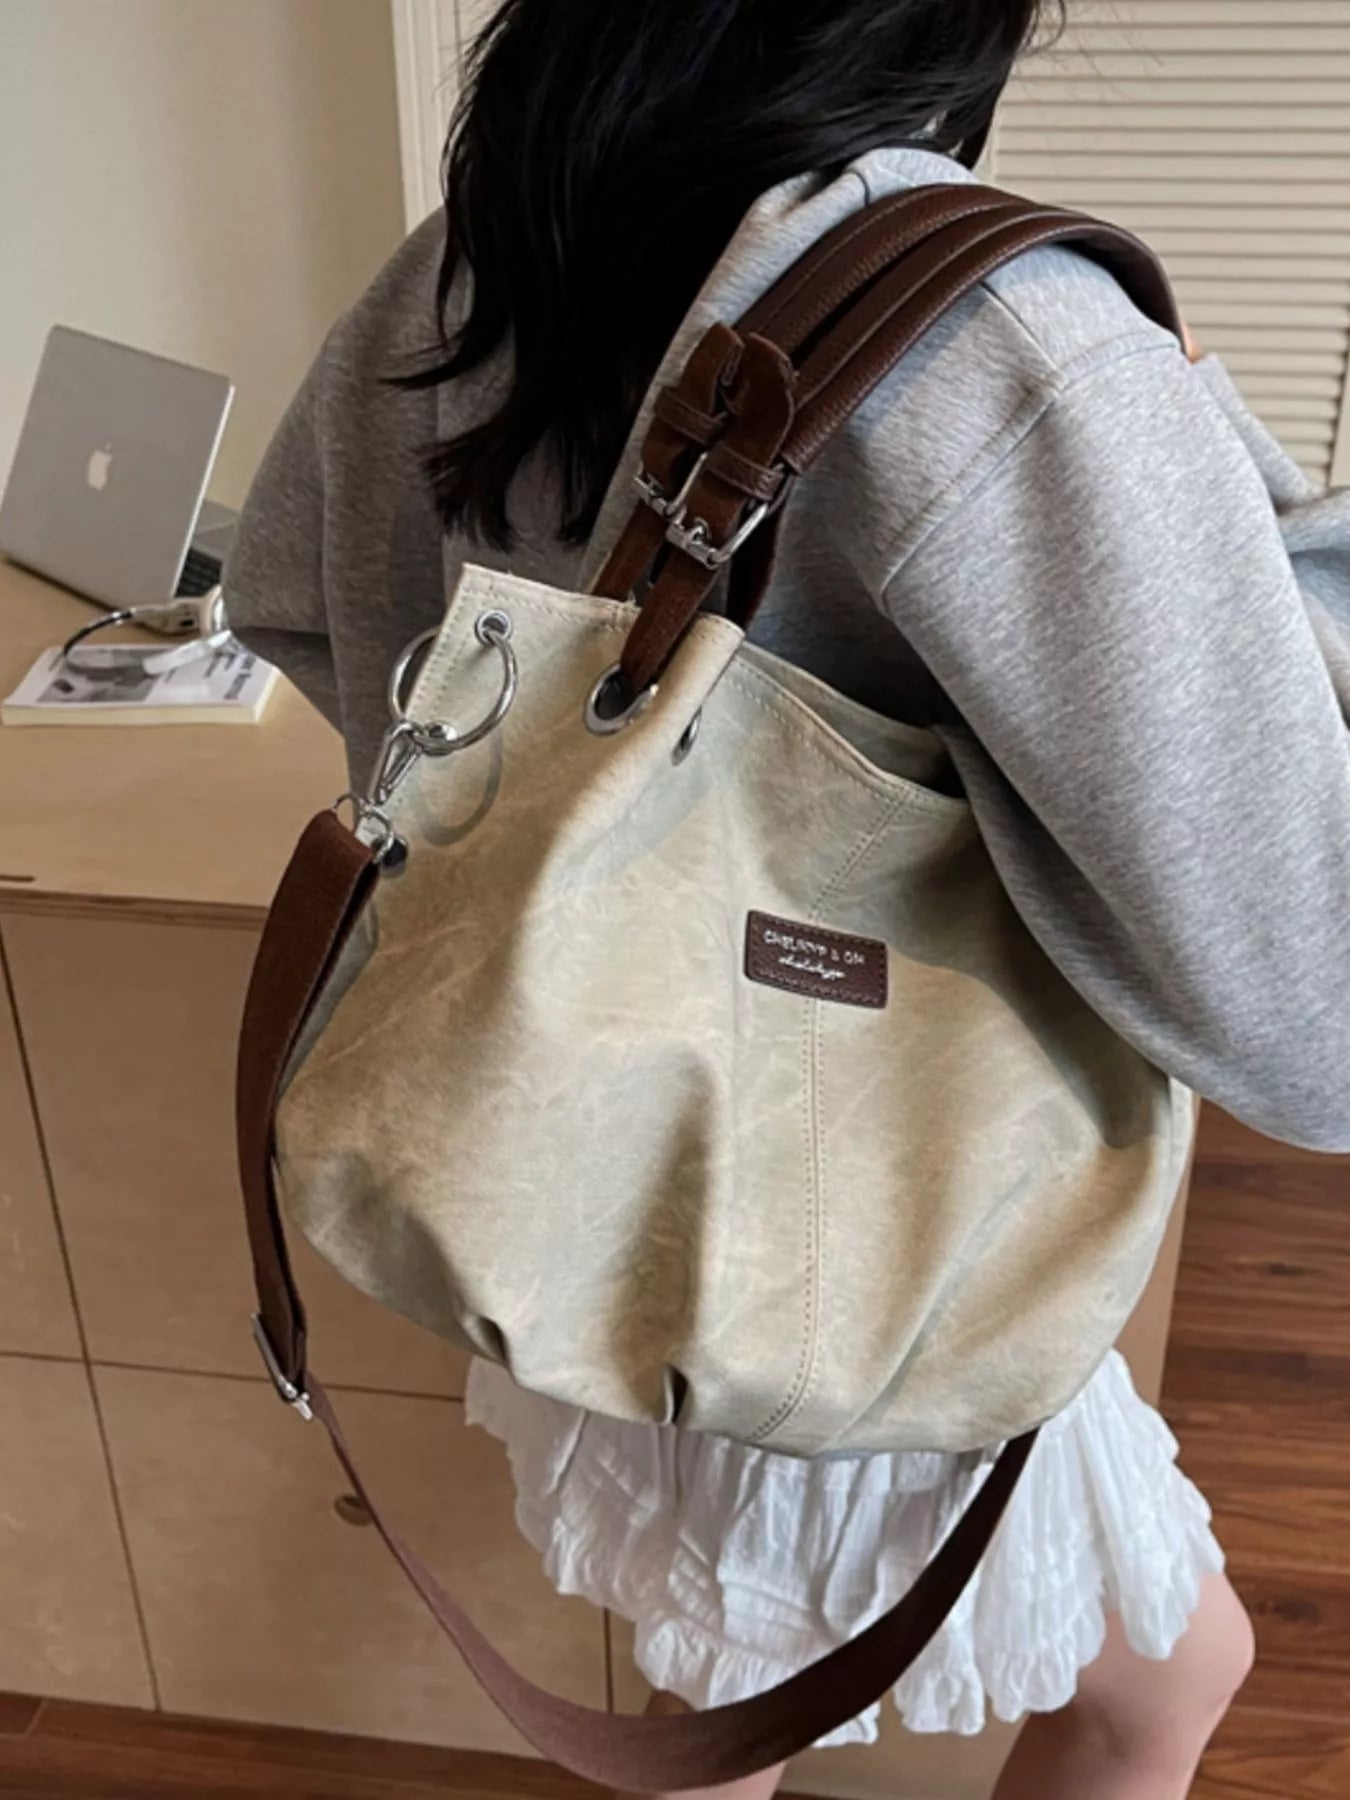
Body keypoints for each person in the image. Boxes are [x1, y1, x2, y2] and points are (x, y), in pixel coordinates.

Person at [227, 1, 1350, 1793]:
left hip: (565, 1149)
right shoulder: (1006, 342)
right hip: (867, 1221)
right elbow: (1314, 1011)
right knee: (1118, 1683)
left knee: (740, 1698)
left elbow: (286, 586)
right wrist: (1185, 416)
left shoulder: (484, 250)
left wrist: (551, 853)